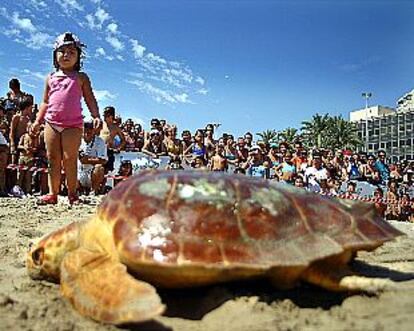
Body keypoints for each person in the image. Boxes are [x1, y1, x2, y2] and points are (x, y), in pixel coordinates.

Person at [32, 32, 101, 205]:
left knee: (70, 158)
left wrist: (96, 115)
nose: (66, 55)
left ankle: (72, 194)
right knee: (52, 158)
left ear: (78, 57)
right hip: (52, 123)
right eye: (62, 51)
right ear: (55, 55)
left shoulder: (81, 77)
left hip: (73, 125)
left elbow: (89, 98)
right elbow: (45, 102)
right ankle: (52, 194)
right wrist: (37, 121)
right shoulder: (50, 78)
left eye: (71, 51)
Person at [78, 121, 107, 195]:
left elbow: (103, 160)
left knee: (99, 168)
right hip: (78, 171)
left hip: (92, 172)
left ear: (94, 130)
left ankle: (93, 190)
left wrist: (87, 160)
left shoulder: (100, 141)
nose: (88, 130)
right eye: (86, 128)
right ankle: (79, 190)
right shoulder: (76, 140)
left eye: (90, 128)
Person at [100, 106, 126, 173]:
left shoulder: (116, 128)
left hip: (108, 151)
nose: (104, 117)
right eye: (104, 115)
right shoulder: (100, 125)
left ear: (111, 116)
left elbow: (123, 140)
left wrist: (118, 148)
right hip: (99, 150)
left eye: (106, 116)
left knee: (106, 171)